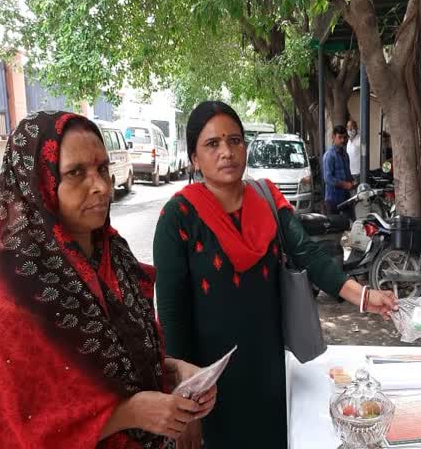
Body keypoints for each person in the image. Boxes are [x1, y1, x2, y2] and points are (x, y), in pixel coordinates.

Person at [154, 101, 397, 448]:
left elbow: (309, 254)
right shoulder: (178, 218)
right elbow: (173, 317)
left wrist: (363, 295)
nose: (226, 152)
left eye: (234, 141)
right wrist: (183, 403)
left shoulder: (265, 199)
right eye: (212, 144)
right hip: (208, 383)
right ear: (194, 157)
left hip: (268, 368)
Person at [0, 112, 215, 448]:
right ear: (38, 183)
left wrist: (176, 372)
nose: (102, 187)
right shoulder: (10, 291)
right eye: (76, 173)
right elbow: (17, 421)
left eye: (103, 169)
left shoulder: (113, 253)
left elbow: (121, 362)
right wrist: (128, 414)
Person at [322, 124, 355, 215]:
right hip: (332, 199)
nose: (342, 140)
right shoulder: (329, 155)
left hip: (346, 198)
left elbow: (347, 174)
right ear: (333, 137)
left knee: (349, 224)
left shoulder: (345, 155)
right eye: (339, 137)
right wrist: (345, 184)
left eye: (344, 138)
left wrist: (353, 182)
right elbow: (328, 179)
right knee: (334, 227)